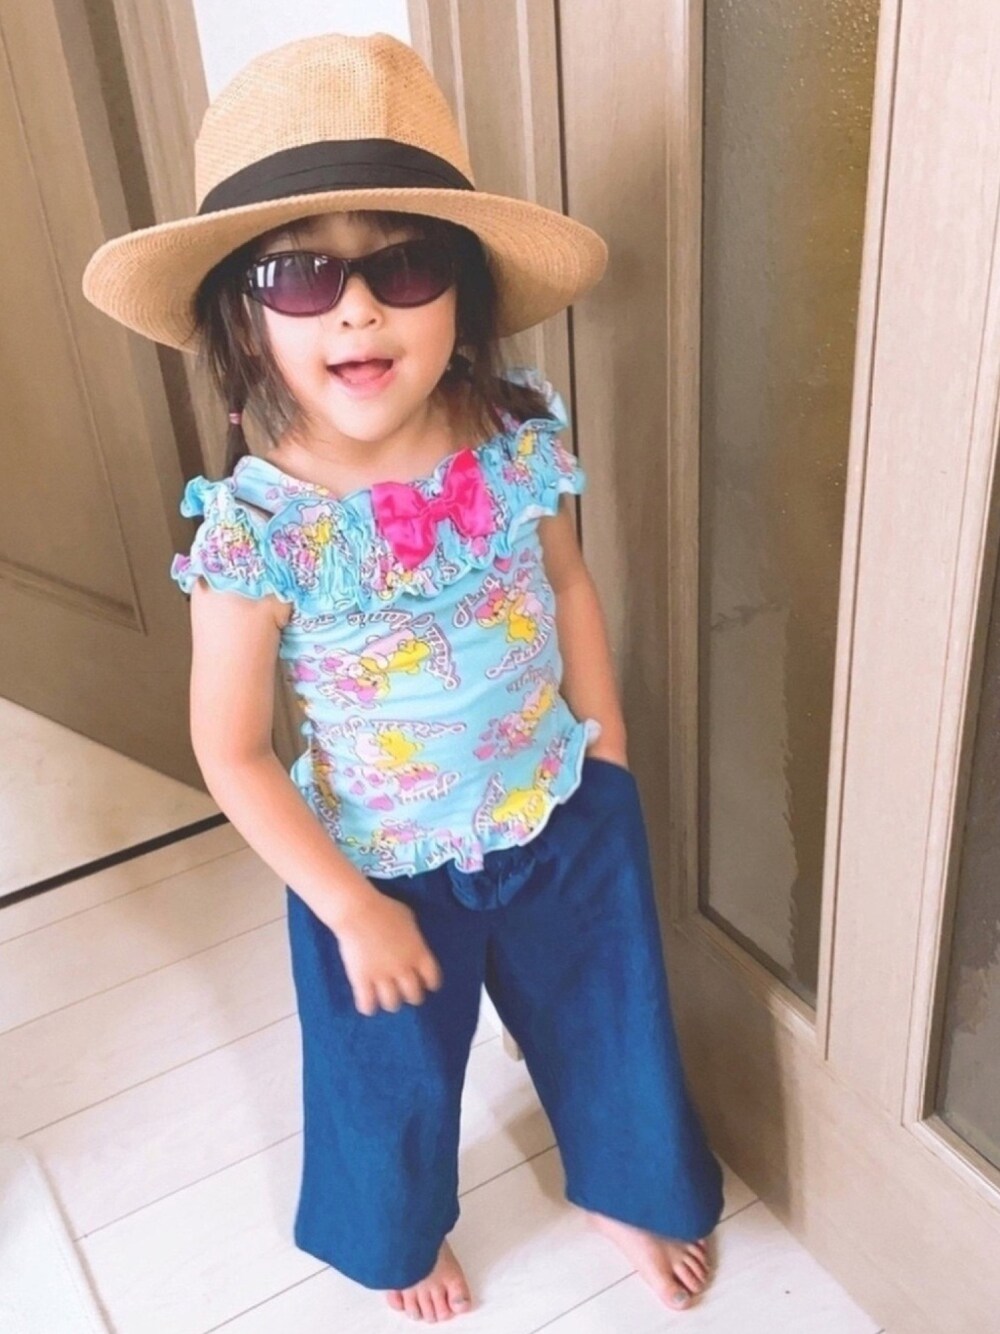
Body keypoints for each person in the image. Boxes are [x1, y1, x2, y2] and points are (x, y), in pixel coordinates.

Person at [81, 30, 725, 1324]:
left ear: (464, 297)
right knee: (385, 1079)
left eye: (405, 265)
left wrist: (605, 743)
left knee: (610, 1015)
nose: (359, 308)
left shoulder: (513, 435)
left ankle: (623, 1181)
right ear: (245, 318)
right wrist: (346, 905)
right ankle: (396, 1236)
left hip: (558, 808)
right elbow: (232, 750)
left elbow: (568, 582)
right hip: (377, 862)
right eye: (302, 273)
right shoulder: (256, 532)